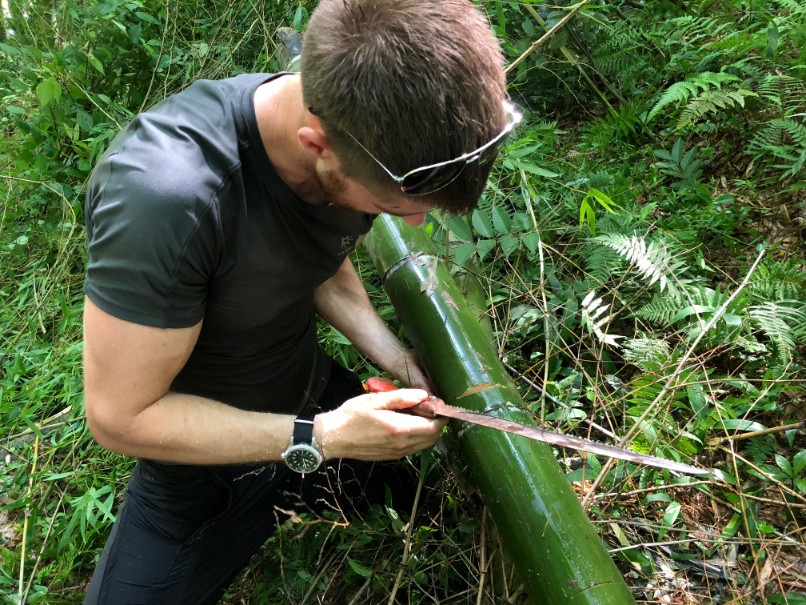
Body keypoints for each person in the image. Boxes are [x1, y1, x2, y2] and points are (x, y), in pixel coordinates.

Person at [81, 0, 512, 602]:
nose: (414, 223)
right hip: (201, 466)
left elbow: (322, 265)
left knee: (422, 507)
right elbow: (119, 416)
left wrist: (397, 360)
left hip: (314, 396)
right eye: (393, 208)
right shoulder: (166, 204)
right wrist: (320, 438)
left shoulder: (354, 128)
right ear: (316, 144)